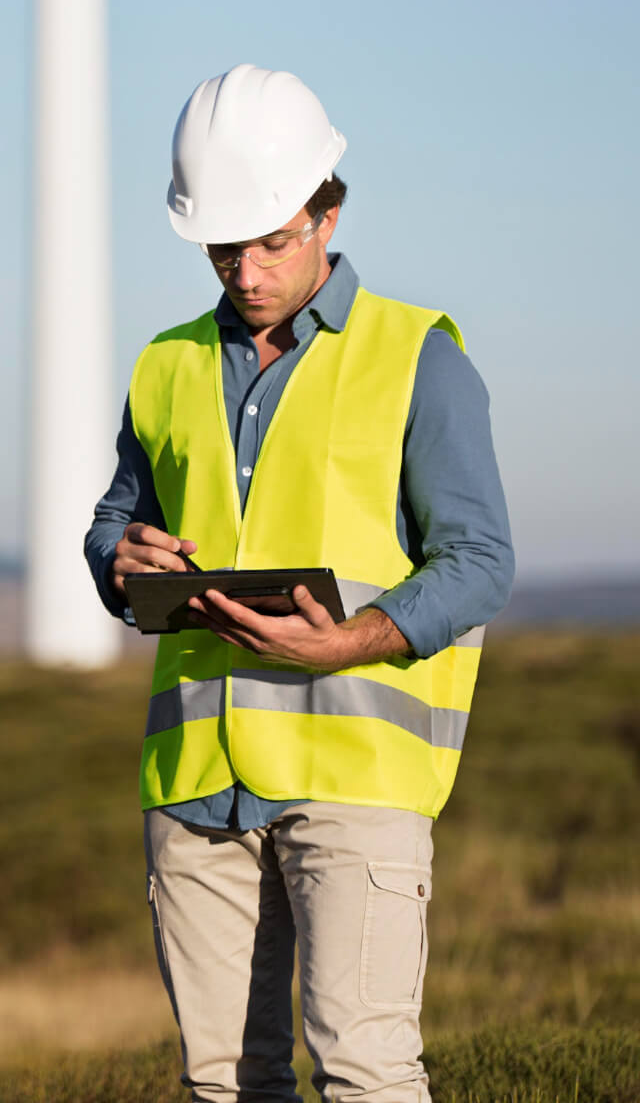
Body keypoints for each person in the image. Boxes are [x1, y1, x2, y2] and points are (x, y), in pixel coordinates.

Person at [83, 64, 513, 1102]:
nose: (244, 269)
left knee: (364, 1069)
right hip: (195, 782)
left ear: (328, 211)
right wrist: (117, 557)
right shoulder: (166, 364)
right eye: (222, 246)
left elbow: (479, 560)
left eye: (270, 240)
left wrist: (349, 637)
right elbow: (113, 521)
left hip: (355, 774)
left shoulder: (418, 355)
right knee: (224, 1079)